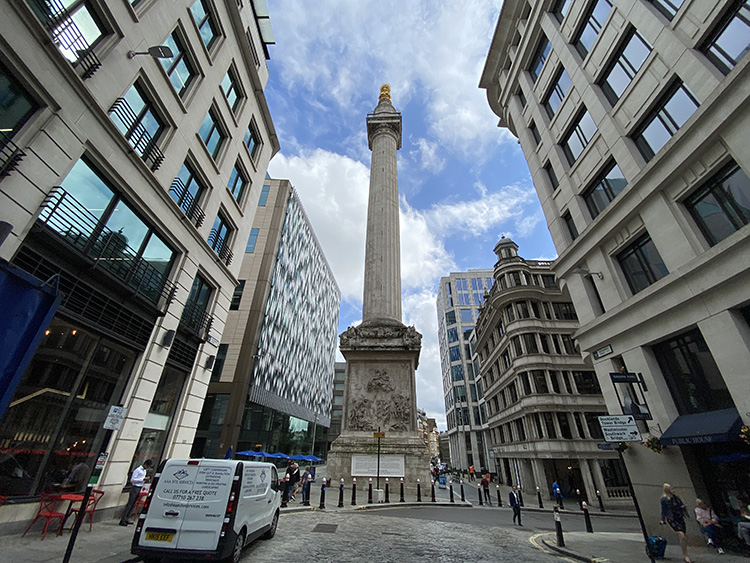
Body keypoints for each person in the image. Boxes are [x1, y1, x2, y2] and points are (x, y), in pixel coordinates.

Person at [660, 483, 691, 563]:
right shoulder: (664, 499)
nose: (673, 490)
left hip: (679, 517)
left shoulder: (676, 498)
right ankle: (685, 555)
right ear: (667, 490)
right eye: (671, 488)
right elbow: (664, 510)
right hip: (672, 519)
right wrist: (663, 519)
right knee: (681, 534)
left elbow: (681, 505)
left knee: (683, 536)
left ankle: (685, 554)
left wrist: (683, 507)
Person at [120, 459, 152, 526]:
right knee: (130, 504)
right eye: (147, 466)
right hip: (135, 487)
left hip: (140, 487)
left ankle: (127, 518)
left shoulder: (144, 471)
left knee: (133, 504)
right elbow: (133, 480)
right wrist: (142, 479)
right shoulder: (138, 470)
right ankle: (123, 519)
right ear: (145, 464)